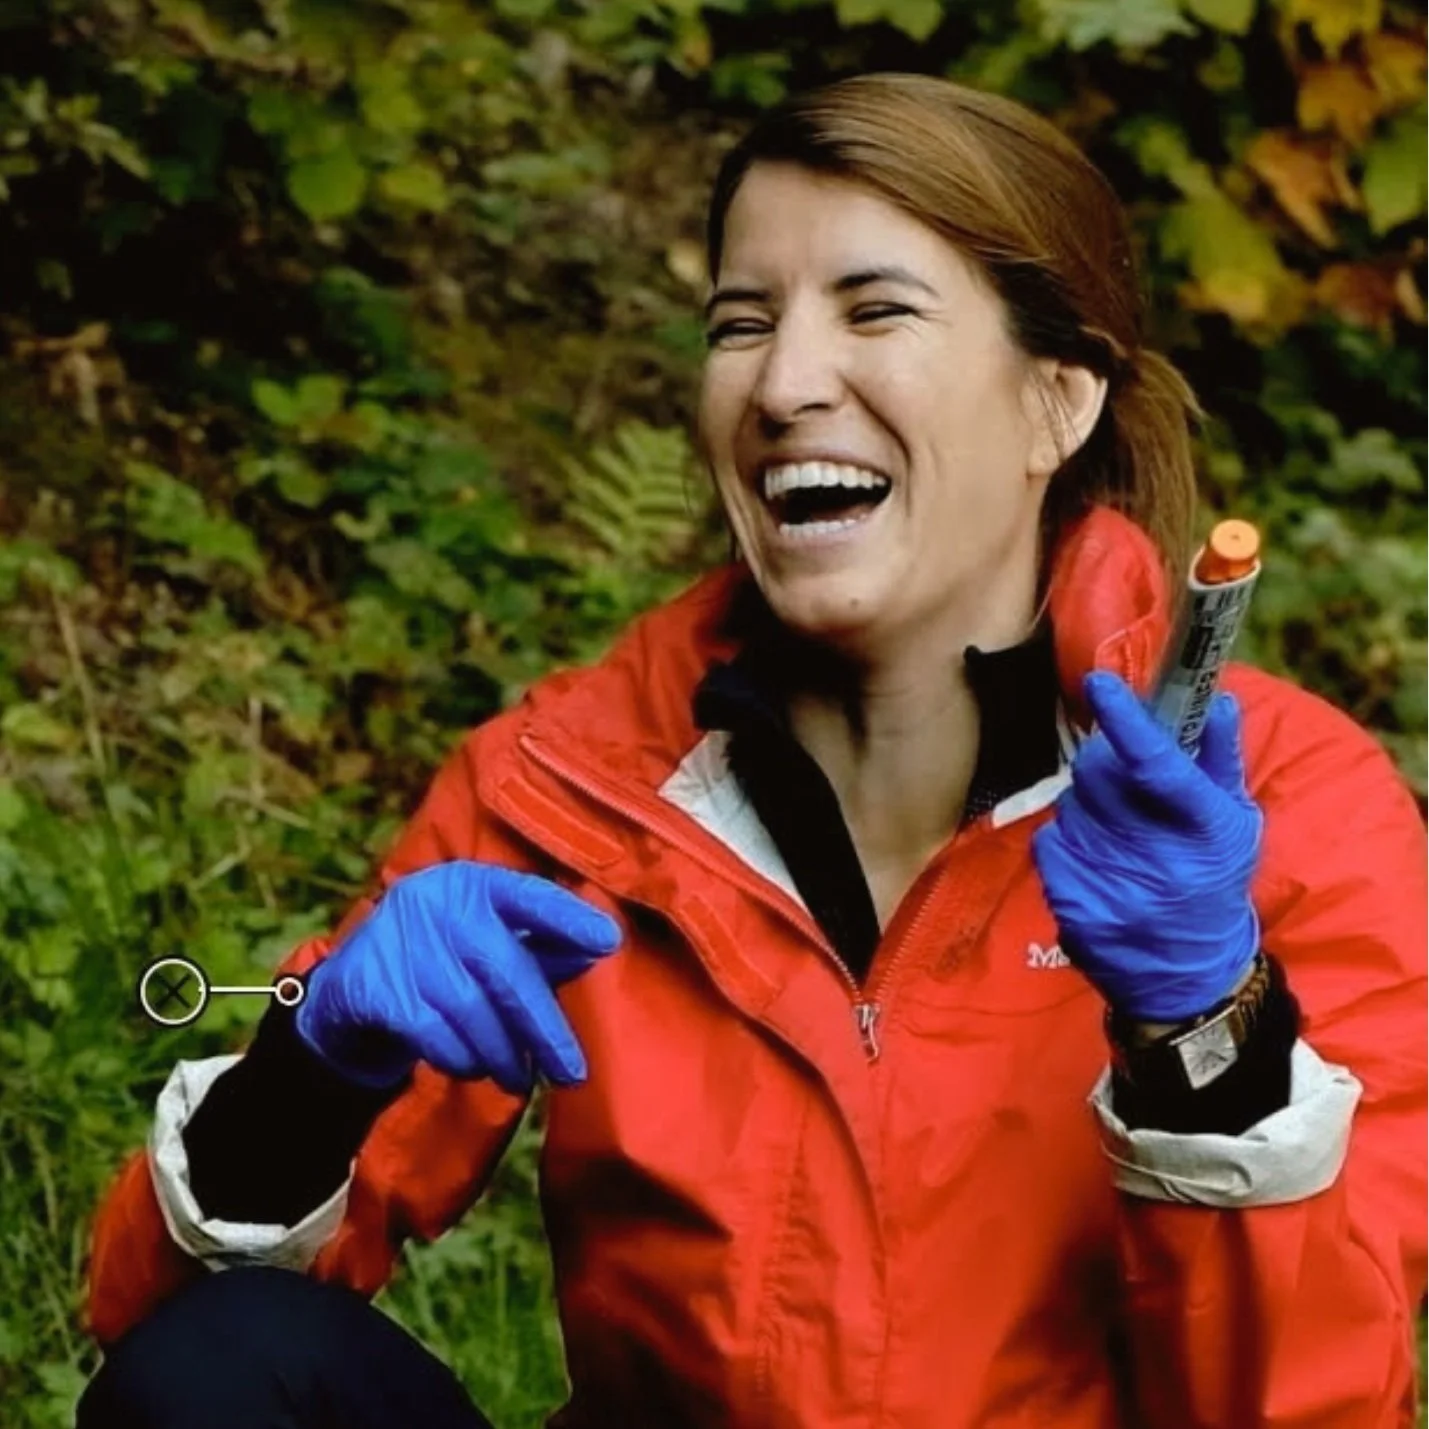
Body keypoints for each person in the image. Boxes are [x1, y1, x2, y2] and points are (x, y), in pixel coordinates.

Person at [79, 72, 1426, 1429]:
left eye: (877, 308)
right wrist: (309, 1071)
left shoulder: (1288, 810)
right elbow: (151, 1336)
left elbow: (1321, 1406)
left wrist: (1210, 1033)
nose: (784, 384)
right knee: (224, 1369)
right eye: (741, 322)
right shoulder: (572, 781)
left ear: (1056, 405)